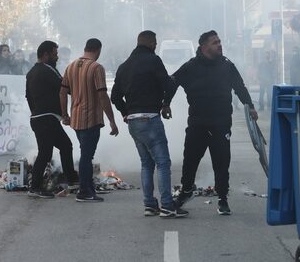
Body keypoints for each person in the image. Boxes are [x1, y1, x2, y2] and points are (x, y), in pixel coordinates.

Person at [163, 30, 258, 215]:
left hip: (221, 123)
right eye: (215, 42)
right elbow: (172, 83)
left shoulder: (227, 65)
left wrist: (251, 106)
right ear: (204, 47)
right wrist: (166, 103)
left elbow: (240, 86)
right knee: (190, 160)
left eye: (219, 41)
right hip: (198, 123)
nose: (219, 44)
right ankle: (186, 191)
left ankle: (222, 198)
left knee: (221, 162)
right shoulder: (190, 67)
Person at [111, 31, 188, 218]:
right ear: (152, 43)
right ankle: (167, 205)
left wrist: (125, 112)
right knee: (162, 163)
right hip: (150, 118)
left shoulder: (124, 66)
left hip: (134, 121)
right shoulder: (154, 61)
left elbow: (114, 97)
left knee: (146, 163)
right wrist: (169, 87)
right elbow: (168, 86)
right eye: (155, 43)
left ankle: (149, 204)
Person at [60, 38, 119, 202]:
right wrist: (112, 121)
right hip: (91, 119)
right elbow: (102, 95)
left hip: (76, 120)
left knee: (85, 153)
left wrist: (65, 115)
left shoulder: (70, 66)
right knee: (87, 156)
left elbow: (62, 92)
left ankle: (88, 188)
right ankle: (84, 191)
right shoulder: (96, 67)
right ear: (98, 50)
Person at [26, 41, 79, 198]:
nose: (57, 57)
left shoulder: (32, 72)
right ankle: (35, 187)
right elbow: (65, 88)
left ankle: (72, 180)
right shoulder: (48, 70)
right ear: (46, 54)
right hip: (46, 119)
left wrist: (36, 111)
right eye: (55, 54)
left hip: (39, 118)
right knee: (47, 152)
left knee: (63, 146)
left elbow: (28, 96)